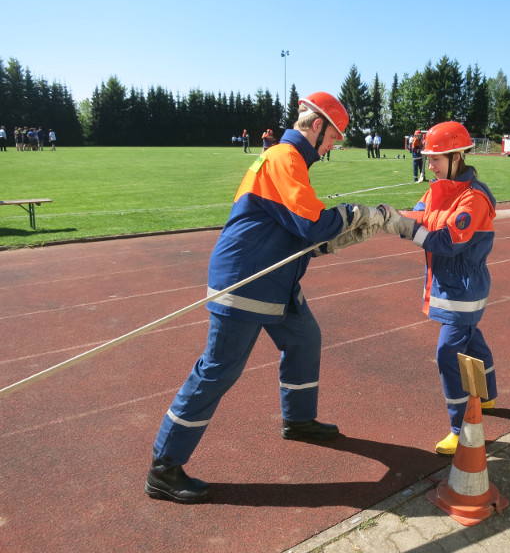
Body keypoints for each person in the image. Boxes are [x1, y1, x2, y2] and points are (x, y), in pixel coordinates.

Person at [146, 92, 386, 504]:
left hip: (276, 281)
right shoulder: (285, 158)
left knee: (304, 338)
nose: (333, 146)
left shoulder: (288, 160)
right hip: (246, 280)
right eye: (333, 137)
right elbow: (311, 223)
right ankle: (164, 468)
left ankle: (299, 420)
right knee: (218, 370)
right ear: (317, 126)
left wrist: (338, 239)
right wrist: (355, 215)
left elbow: (295, 229)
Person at [379, 121, 498, 455]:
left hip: (464, 289)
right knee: (472, 340)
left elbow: (447, 242)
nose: (429, 164)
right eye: (428, 158)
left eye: (435, 159)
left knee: (448, 352)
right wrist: (386, 217)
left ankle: (461, 429)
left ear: (456, 157)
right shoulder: (437, 190)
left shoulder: (473, 198)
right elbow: (417, 217)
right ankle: (487, 394)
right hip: (450, 285)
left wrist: (402, 227)